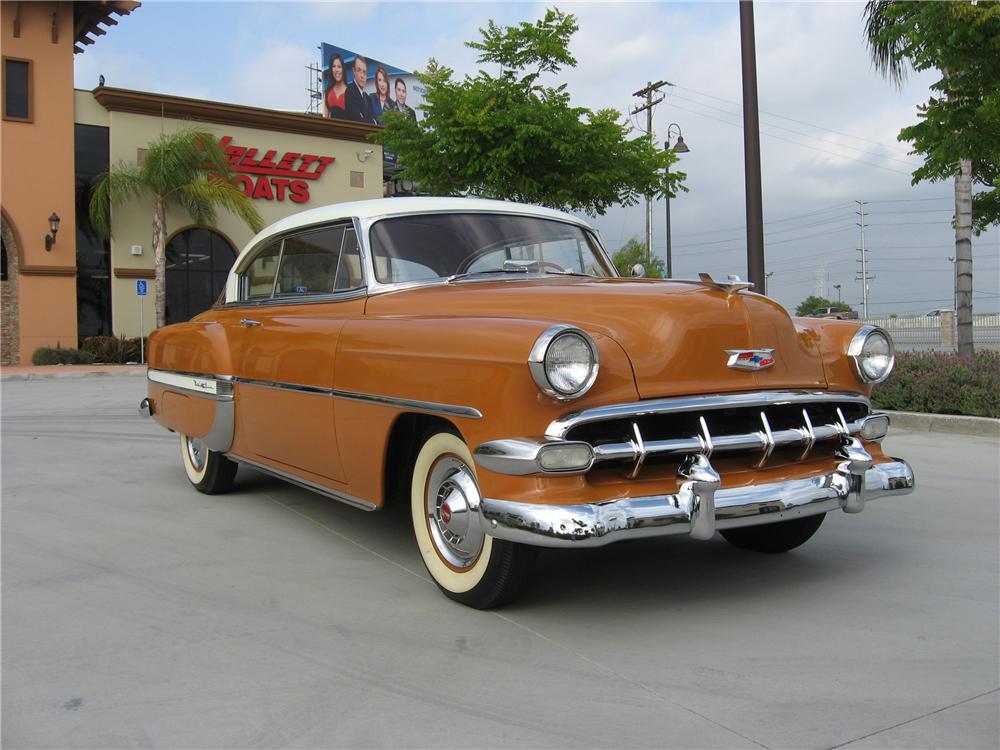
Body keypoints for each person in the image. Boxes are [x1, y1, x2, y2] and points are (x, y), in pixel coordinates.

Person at [345, 55, 377, 125]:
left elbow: (375, 119)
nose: (362, 76)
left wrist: (373, 121)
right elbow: (356, 119)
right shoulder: (349, 91)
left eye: (364, 72)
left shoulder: (367, 98)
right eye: (359, 70)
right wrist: (373, 122)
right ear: (354, 71)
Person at [325, 53, 348, 120]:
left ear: (343, 69)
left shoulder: (351, 92)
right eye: (333, 66)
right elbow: (325, 117)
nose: (336, 70)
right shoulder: (327, 92)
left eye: (339, 67)